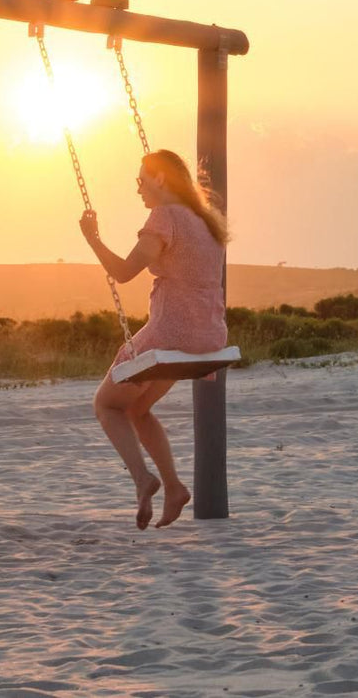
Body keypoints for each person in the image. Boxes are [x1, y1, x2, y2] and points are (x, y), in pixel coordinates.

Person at [79, 149, 229, 530]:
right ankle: (175, 488)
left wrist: (93, 240)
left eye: (141, 180)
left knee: (106, 405)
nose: (138, 189)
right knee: (137, 410)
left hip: (170, 334)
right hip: (208, 334)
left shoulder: (165, 216)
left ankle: (143, 479)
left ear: (160, 179)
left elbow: (126, 272)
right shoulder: (207, 220)